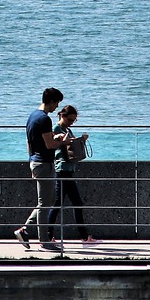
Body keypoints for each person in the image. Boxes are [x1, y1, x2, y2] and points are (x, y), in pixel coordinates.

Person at [14, 87, 72, 250]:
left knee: (45, 201)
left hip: (35, 161)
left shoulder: (33, 116)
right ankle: (44, 240)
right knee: (44, 203)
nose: (56, 108)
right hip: (44, 163)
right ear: (52, 101)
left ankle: (24, 230)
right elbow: (50, 145)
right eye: (57, 103)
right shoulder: (45, 119)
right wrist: (63, 142)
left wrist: (55, 137)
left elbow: (34, 141)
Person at [45, 105, 99, 245]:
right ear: (62, 115)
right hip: (62, 169)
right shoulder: (57, 129)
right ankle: (82, 236)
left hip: (68, 169)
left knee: (62, 203)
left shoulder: (67, 129)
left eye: (74, 120)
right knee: (69, 203)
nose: (71, 122)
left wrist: (82, 140)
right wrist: (64, 140)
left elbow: (71, 146)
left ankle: (51, 236)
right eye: (70, 119)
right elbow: (55, 145)